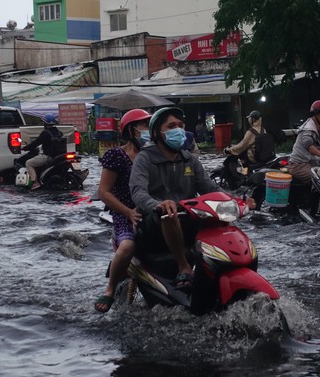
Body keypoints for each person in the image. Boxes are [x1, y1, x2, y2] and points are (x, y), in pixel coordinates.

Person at [129, 107, 255, 289]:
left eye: (181, 125)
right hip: (154, 221)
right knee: (169, 215)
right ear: (157, 132)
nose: (178, 130)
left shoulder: (189, 160)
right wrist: (157, 204)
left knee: (219, 218)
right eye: (171, 126)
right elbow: (138, 192)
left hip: (188, 215)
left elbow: (211, 189)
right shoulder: (145, 158)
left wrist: (236, 201)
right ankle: (184, 267)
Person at [94, 109, 151, 313]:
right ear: (130, 130)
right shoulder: (116, 156)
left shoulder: (154, 154)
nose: (148, 129)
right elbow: (104, 192)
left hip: (153, 211)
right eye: (144, 125)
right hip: (125, 215)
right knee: (126, 246)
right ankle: (109, 289)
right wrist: (128, 212)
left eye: (149, 124)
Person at [20, 113, 63, 190]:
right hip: (58, 157)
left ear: (45, 123)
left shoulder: (45, 133)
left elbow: (36, 143)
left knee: (28, 163)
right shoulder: (58, 132)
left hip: (47, 157)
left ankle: (35, 182)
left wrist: (25, 148)